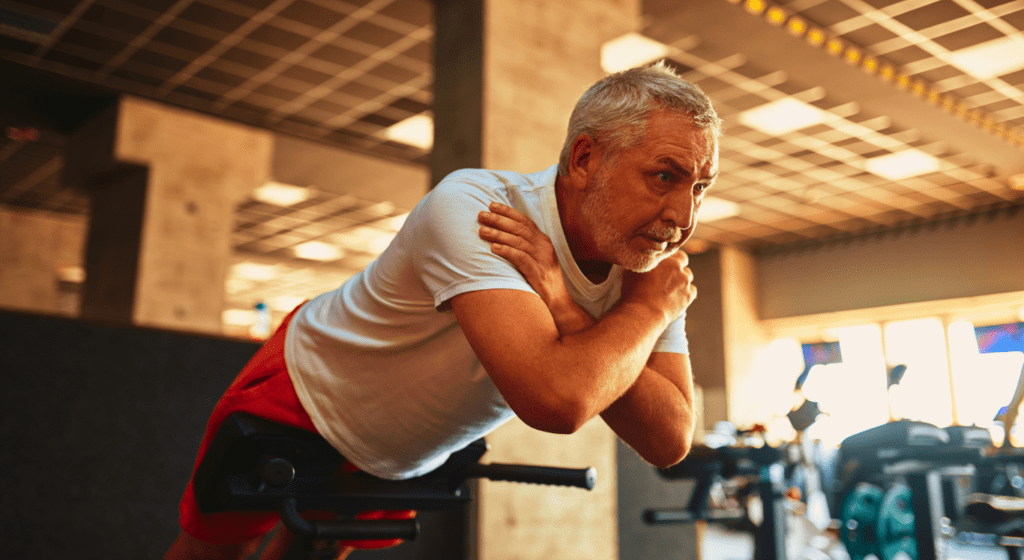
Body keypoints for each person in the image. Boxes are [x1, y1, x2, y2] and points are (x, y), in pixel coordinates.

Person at [164, 61, 721, 560]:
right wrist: (647, 313)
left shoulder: (649, 269)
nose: (683, 215)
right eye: (665, 176)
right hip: (312, 388)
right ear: (584, 158)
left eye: (700, 187)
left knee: (311, 553)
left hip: (404, 450)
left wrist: (572, 313)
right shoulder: (481, 208)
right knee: (211, 555)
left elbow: (669, 437)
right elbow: (558, 400)